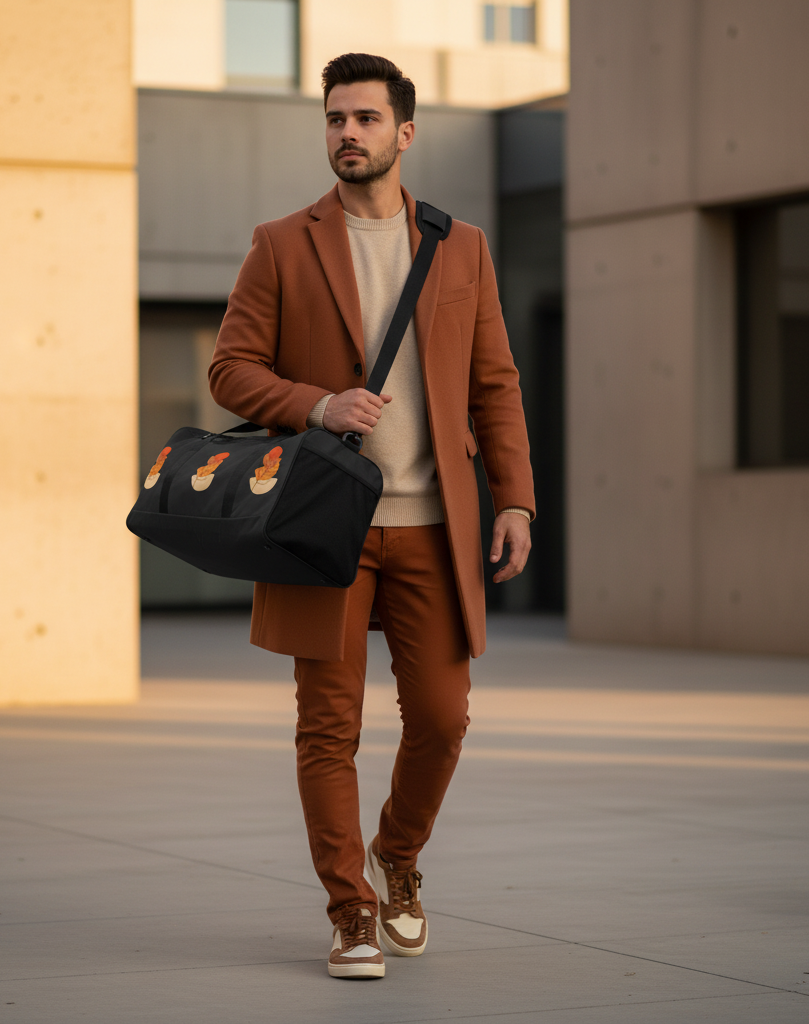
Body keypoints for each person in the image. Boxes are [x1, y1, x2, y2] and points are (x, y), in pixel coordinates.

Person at [209, 52, 535, 980]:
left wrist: (514, 496)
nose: (345, 133)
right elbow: (231, 369)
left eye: (363, 118)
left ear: (405, 132)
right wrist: (318, 403)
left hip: (436, 524)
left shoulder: (459, 244)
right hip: (324, 529)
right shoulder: (281, 242)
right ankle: (351, 911)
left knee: (442, 717)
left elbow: (495, 382)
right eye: (334, 118)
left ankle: (398, 857)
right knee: (329, 727)